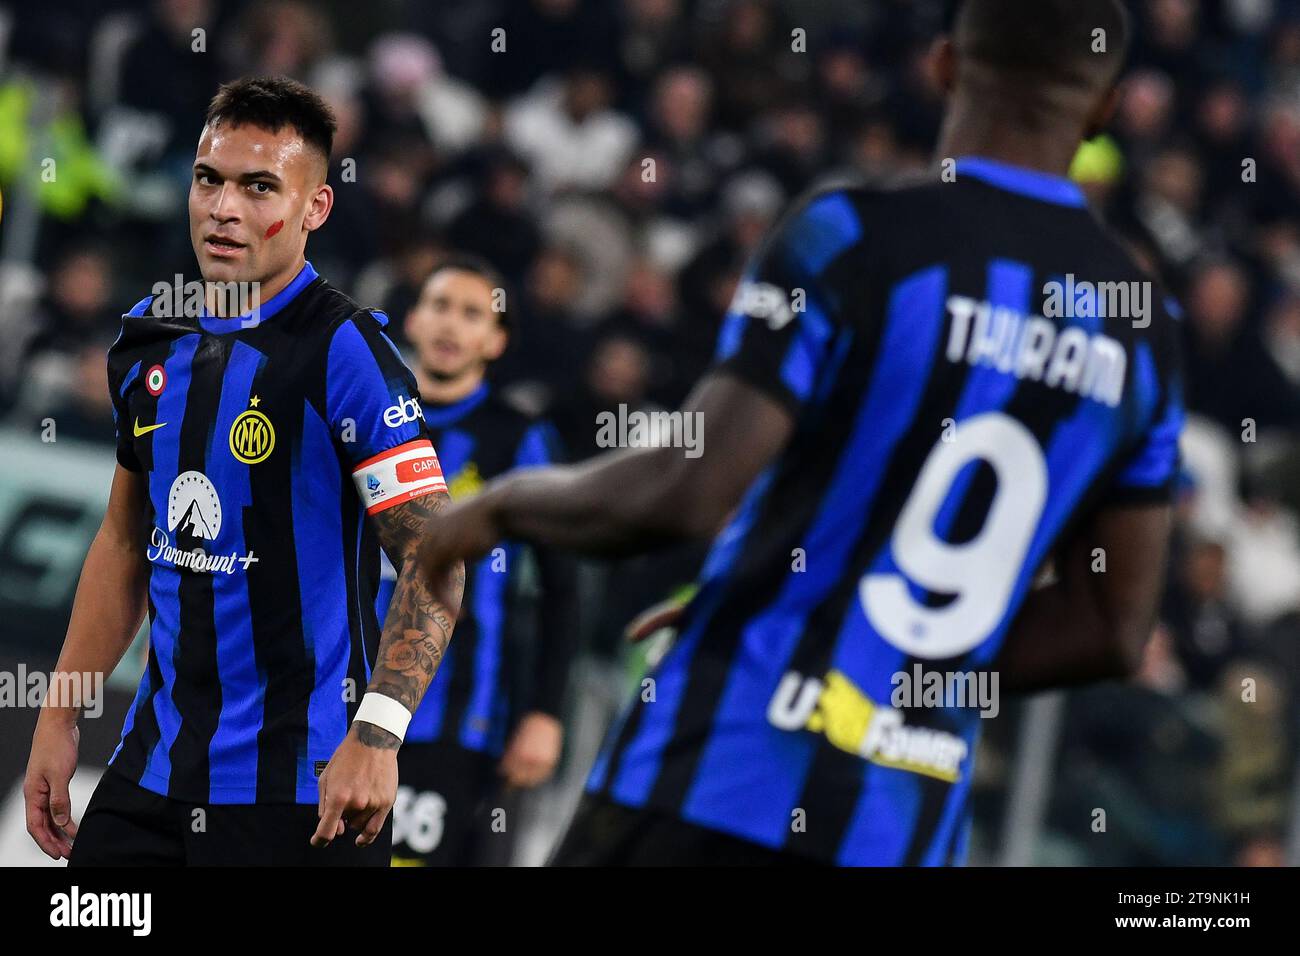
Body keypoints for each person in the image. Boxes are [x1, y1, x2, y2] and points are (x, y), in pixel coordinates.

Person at [418, 0, 1185, 866]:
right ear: (1103, 111)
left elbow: (688, 489)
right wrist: (893, 664)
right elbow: (1114, 628)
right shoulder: (1142, 326)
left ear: (942, 67)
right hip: (901, 827)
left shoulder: (857, 235)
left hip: (721, 771)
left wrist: (502, 507)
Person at [23, 76, 464, 866]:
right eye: (208, 180)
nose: (224, 208)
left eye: (260, 187)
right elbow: (124, 544)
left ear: (315, 208)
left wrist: (379, 733)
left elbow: (435, 559)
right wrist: (60, 716)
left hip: (306, 794)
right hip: (149, 779)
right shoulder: (147, 340)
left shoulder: (349, 353)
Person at [386, 256, 577, 866]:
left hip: (455, 722)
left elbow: (561, 589)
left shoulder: (521, 440)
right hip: (329, 706)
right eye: (440, 305)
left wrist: (545, 712)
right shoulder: (361, 414)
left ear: (495, 341)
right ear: (413, 319)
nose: (452, 324)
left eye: (474, 314)